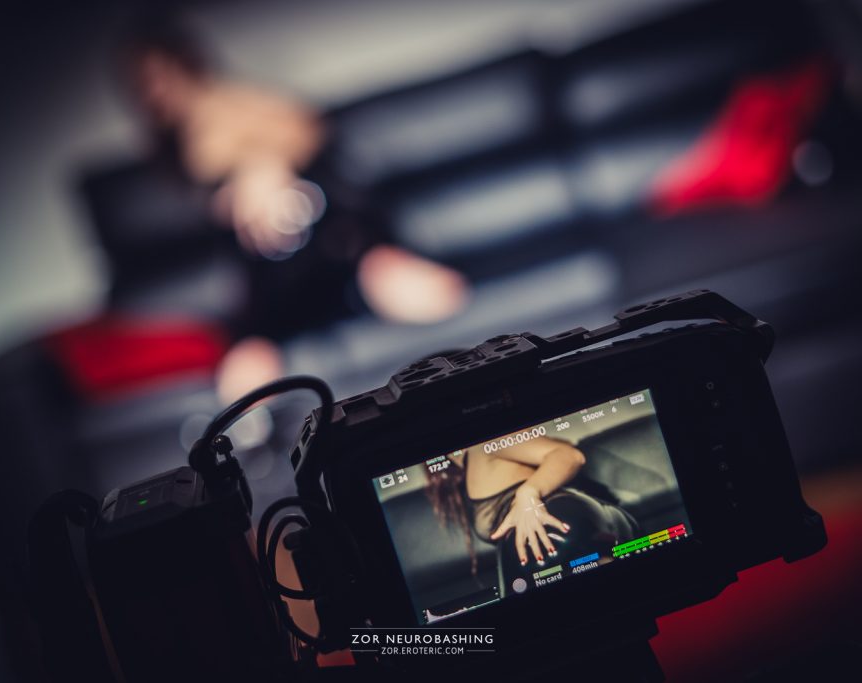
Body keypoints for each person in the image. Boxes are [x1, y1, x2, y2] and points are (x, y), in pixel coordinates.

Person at [84, 15, 470, 404]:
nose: (154, 93)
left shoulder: (247, 108)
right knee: (244, 381)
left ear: (184, 63)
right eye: (141, 85)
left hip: (339, 248)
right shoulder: (172, 156)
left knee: (419, 292)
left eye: (158, 76)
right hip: (269, 286)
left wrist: (266, 167)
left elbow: (307, 138)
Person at [425, 435, 637, 593]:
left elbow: (570, 456)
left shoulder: (482, 444)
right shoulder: (464, 467)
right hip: (555, 537)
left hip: (562, 523)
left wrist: (528, 494)